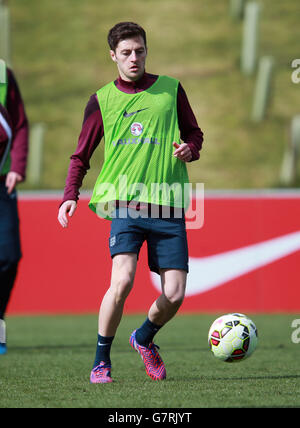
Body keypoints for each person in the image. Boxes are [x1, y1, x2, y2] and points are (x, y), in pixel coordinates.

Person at [58, 22, 204, 383]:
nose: (133, 57)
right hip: (125, 203)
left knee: (174, 293)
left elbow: (194, 132)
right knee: (122, 281)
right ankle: (100, 361)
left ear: (146, 50)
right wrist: (70, 195)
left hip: (167, 204)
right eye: (126, 52)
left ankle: (143, 338)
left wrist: (191, 149)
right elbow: (81, 156)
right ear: (113, 55)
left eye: (139, 50)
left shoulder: (170, 90)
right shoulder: (101, 100)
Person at [0, 61, 29, 355]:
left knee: (9, 256)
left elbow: (19, 123)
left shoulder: (3, 74)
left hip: (2, 183)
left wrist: (17, 167)